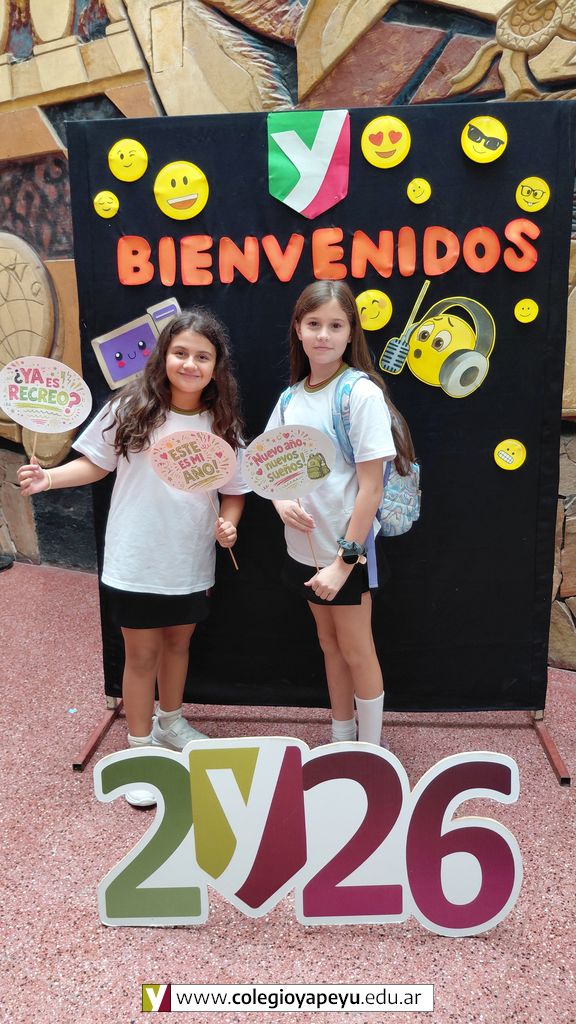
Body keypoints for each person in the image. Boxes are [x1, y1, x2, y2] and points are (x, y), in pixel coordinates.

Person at [18, 308, 248, 806]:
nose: (190, 364)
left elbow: (234, 489)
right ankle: (140, 750)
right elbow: (95, 465)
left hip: (189, 561)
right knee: (141, 656)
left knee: (179, 645)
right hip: (135, 560)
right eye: (180, 352)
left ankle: (170, 723)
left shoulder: (222, 422)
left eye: (202, 357)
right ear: (162, 355)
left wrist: (230, 523)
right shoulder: (130, 407)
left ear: (216, 367)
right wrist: (48, 478)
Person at [266, 281, 415, 746]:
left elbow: (372, 487)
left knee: (356, 649)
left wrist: (343, 562)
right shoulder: (291, 397)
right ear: (298, 328)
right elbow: (268, 465)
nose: (323, 335)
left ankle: (370, 750)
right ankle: (341, 736)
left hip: (347, 554)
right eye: (314, 324)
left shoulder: (359, 394)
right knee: (329, 645)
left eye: (335, 325)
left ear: (351, 332)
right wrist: (279, 501)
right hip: (305, 549)